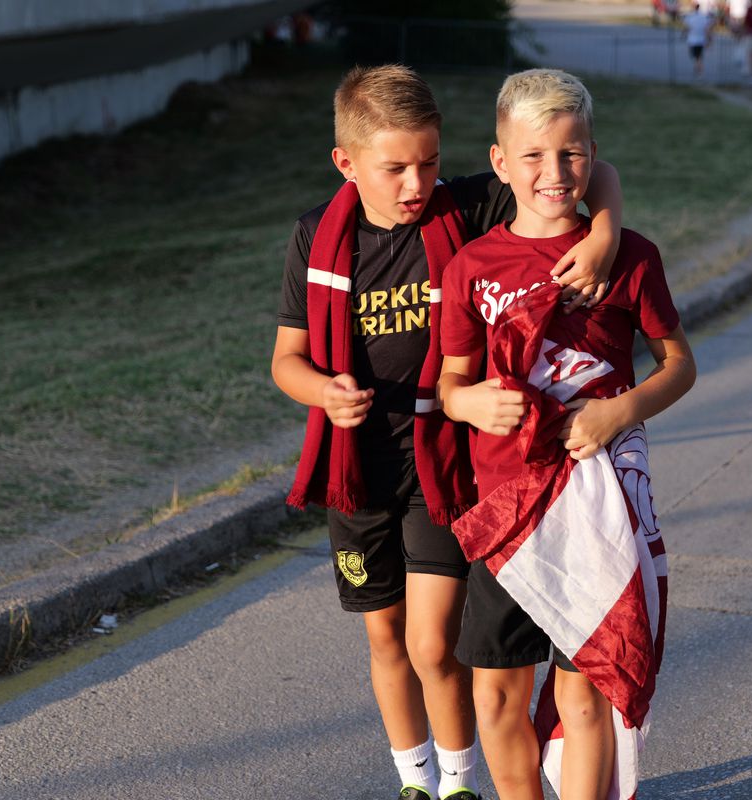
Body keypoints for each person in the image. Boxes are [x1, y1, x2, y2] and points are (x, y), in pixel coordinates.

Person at [271, 64, 624, 800]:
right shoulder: (316, 236)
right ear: (346, 162)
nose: (415, 183)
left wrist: (604, 233)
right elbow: (287, 360)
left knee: (434, 643)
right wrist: (322, 392)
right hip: (357, 469)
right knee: (383, 638)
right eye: (394, 168)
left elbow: (593, 170)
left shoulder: (460, 208)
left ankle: (461, 783)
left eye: (428, 161)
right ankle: (416, 781)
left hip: (441, 466)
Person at [437, 69, 696, 800]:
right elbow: (451, 383)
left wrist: (622, 410)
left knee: (585, 698)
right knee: (495, 697)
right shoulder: (472, 268)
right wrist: (466, 406)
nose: (555, 173)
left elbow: (680, 366)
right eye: (534, 157)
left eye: (573, 154)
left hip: (594, 511)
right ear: (499, 163)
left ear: (592, 153)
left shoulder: (630, 256)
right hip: (507, 512)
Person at [683, 2, 715, 76]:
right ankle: (698, 68)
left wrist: (684, 34)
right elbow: (708, 28)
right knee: (698, 56)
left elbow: (687, 27)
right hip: (701, 40)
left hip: (693, 40)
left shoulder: (691, 17)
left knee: (697, 56)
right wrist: (710, 39)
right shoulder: (703, 17)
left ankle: (699, 70)